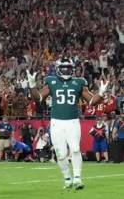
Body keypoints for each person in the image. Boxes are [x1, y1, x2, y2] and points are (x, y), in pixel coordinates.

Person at [27, 58, 108, 189]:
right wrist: (32, 86)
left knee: (75, 149)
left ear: (72, 69)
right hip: (56, 123)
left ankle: (77, 178)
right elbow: (39, 98)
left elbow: (92, 101)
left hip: (72, 122)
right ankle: (67, 178)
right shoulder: (51, 81)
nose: (66, 70)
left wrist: (101, 92)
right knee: (61, 154)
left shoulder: (79, 82)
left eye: (68, 68)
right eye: (63, 67)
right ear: (58, 69)